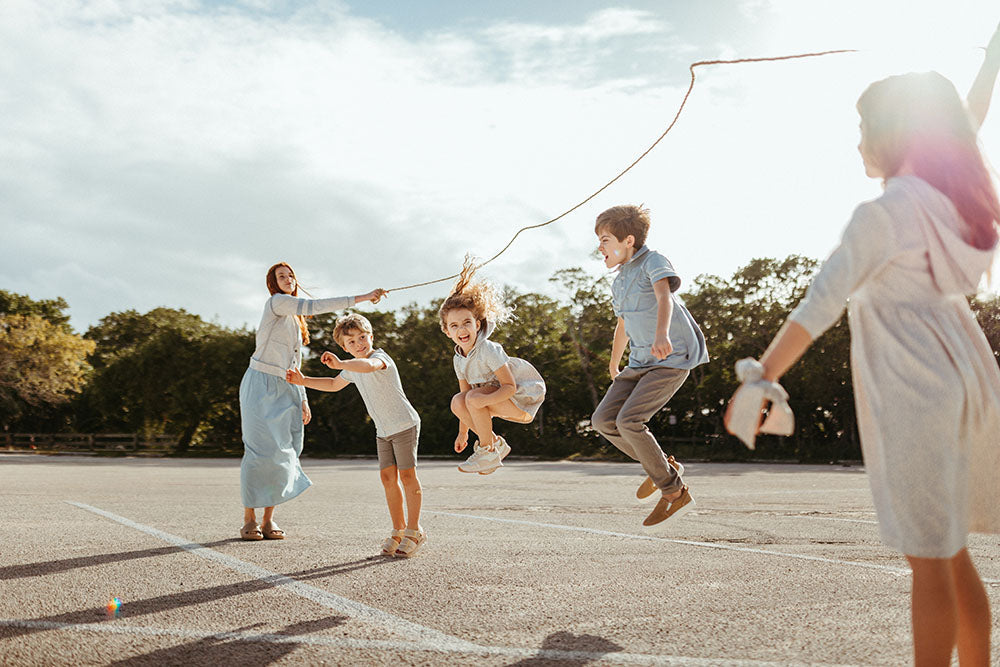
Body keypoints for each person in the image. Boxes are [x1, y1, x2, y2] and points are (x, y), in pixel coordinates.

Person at [725, 26, 1000, 664]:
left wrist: (759, 378)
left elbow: (817, 305)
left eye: (864, 128)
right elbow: (969, 121)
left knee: (927, 554)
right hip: (968, 376)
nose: (857, 142)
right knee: (949, 547)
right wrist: (991, 61)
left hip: (915, 383)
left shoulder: (881, 214)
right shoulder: (954, 202)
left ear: (893, 134)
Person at [239, 262, 384, 541]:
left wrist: (303, 397)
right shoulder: (277, 304)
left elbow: (296, 362)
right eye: (281, 276)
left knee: (285, 452)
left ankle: (269, 520)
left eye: (291, 275)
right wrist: (364, 297)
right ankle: (249, 519)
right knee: (258, 452)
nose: (288, 279)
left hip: (289, 385)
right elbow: (315, 305)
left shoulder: (295, 321)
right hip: (260, 383)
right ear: (273, 284)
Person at [590, 205, 709, 529]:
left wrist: (661, 334)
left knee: (630, 420)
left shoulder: (653, 261)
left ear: (629, 240)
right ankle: (664, 467)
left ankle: (674, 492)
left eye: (605, 240)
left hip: (671, 357)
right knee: (602, 420)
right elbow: (623, 325)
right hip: (639, 362)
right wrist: (615, 362)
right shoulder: (618, 281)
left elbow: (664, 297)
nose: (599, 248)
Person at [286, 313, 426, 557]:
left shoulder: (379, 358)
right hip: (383, 431)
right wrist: (302, 380)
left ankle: (415, 530)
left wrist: (341, 363)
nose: (359, 344)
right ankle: (398, 529)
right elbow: (332, 384)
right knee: (387, 478)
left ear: (371, 336)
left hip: (404, 424)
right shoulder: (351, 368)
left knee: (407, 476)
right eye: (351, 342)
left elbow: (368, 366)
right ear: (344, 347)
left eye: (362, 337)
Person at [439, 259, 546, 474]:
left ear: (477, 324)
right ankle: (495, 444)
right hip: (493, 400)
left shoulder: (488, 349)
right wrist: (464, 433)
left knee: (472, 399)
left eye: (467, 322)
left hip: (521, 401)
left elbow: (510, 387)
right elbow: (464, 399)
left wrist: (482, 403)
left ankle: (488, 452)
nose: (462, 329)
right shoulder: (458, 358)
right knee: (457, 401)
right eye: (454, 326)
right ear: (447, 332)